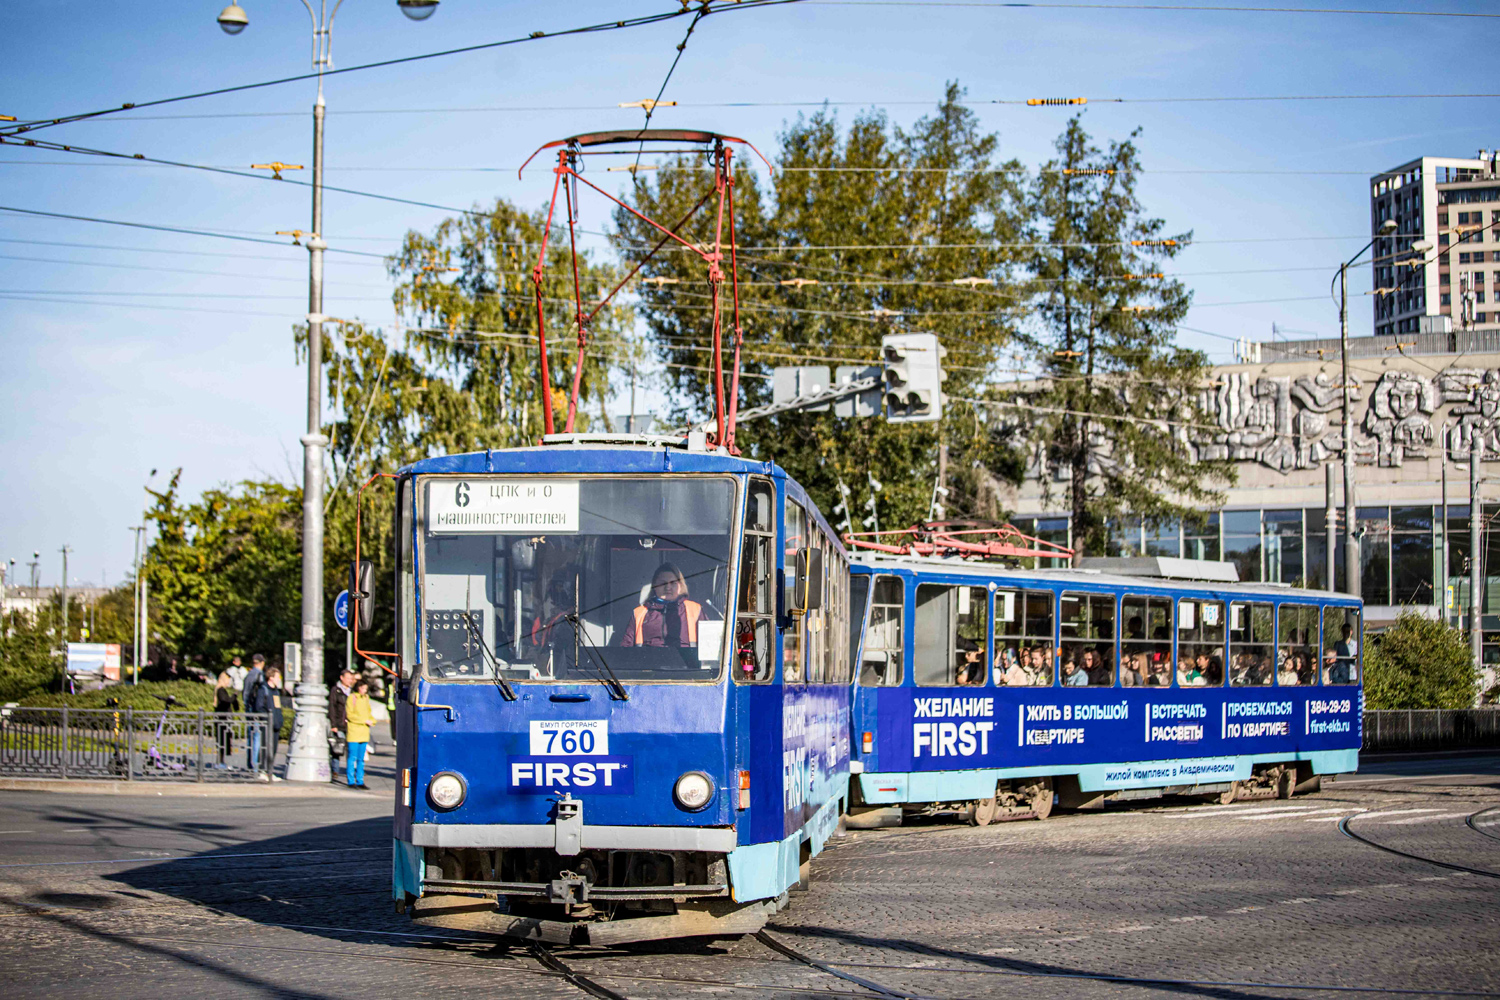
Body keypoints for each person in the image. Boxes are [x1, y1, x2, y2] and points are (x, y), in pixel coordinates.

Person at [620, 562, 704, 649]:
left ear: (680, 586)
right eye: (663, 583)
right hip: (649, 661)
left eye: (673, 583)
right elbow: (626, 647)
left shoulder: (695, 610)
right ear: (654, 586)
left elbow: (709, 645)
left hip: (684, 661)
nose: (668, 587)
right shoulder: (639, 613)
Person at [242, 654, 269, 776]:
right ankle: (255, 766)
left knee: (250, 737)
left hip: (249, 709)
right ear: (262, 662)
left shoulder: (248, 674)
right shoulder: (259, 675)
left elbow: (245, 694)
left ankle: (250, 764)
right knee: (257, 737)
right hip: (256, 710)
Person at [344, 677, 373, 789]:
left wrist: (372, 720)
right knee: (352, 757)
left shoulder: (366, 698)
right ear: (358, 688)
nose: (364, 690)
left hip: (364, 732)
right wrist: (363, 721)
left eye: (366, 688)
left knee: (361, 759)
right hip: (354, 732)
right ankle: (351, 780)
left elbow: (369, 713)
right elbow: (350, 715)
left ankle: (360, 780)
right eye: (363, 688)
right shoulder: (352, 698)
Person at [328, 666, 356, 778]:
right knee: (337, 748)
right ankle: (335, 770)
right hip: (339, 724)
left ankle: (350, 771)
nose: (350, 680)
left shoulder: (352, 692)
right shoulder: (336, 691)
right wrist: (333, 724)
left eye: (351, 678)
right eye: (348, 678)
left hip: (350, 724)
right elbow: (332, 708)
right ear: (342, 678)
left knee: (350, 748)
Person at [213, 671, 239, 764]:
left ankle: (221, 761)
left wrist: (234, 700)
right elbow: (225, 701)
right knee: (222, 741)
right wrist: (233, 697)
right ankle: (220, 762)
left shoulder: (223, 690)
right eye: (228, 681)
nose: (229, 683)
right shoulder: (220, 690)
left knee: (224, 741)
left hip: (224, 719)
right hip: (222, 719)